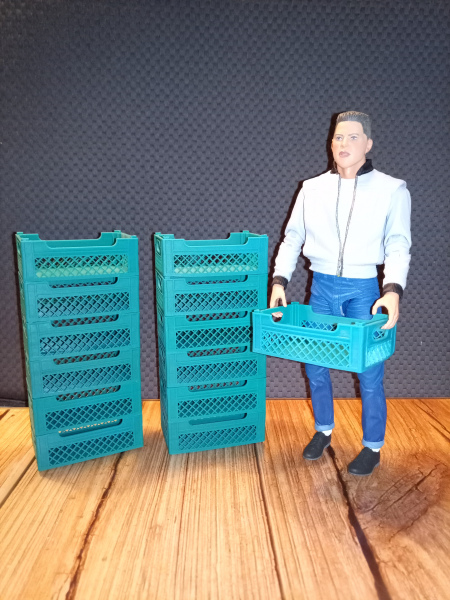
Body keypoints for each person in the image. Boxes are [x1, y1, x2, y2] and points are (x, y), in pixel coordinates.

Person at [270, 111, 411, 476]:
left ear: (368, 144)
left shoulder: (391, 190)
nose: (343, 143)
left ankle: (372, 446)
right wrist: (279, 281)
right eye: (338, 137)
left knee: (370, 371)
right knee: (315, 365)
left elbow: (398, 243)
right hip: (321, 288)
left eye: (352, 137)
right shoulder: (312, 188)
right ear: (330, 143)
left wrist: (392, 289)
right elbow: (292, 238)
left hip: (363, 292)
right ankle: (323, 429)